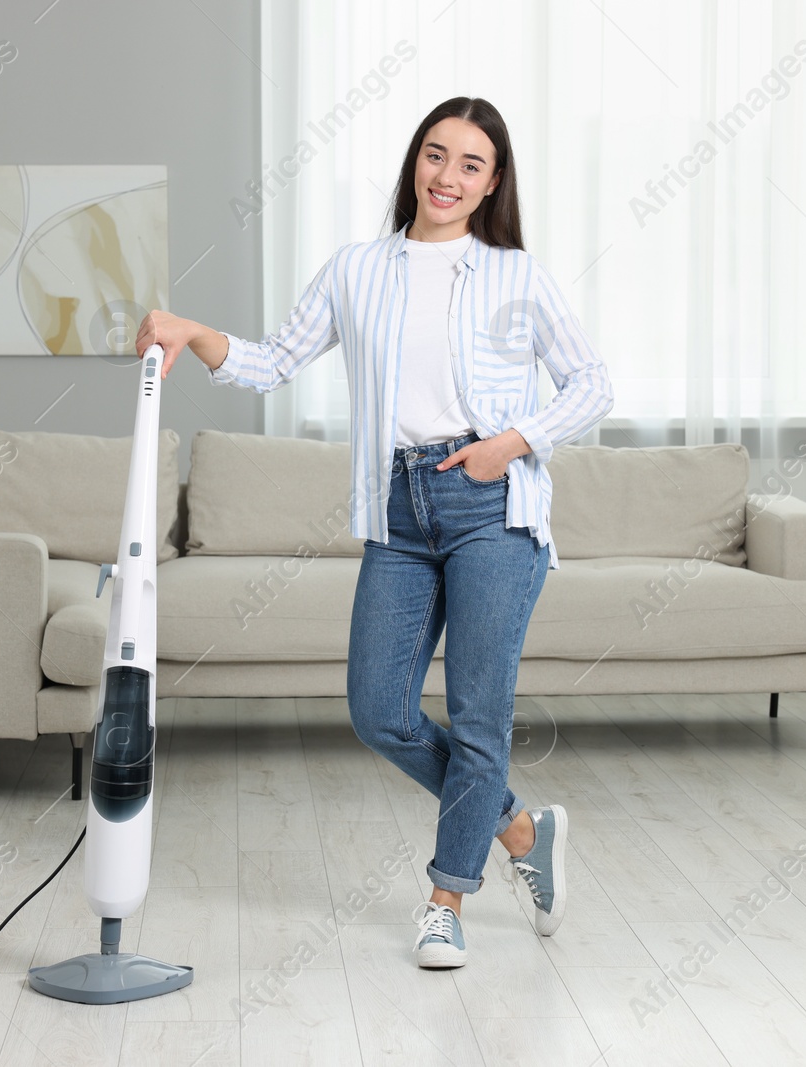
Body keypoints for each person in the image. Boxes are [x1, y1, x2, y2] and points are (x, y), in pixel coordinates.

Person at [135, 96, 614, 969]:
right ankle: (518, 827)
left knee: (478, 717)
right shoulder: (358, 268)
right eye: (437, 155)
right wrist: (195, 330)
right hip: (396, 508)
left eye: (471, 164)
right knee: (378, 709)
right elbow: (274, 361)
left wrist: (506, 445)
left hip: (492, 506)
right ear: (414, 162)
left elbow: (592, 384)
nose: (448, 176)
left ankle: (444, 900)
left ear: (493, 182)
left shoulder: (518, 276)